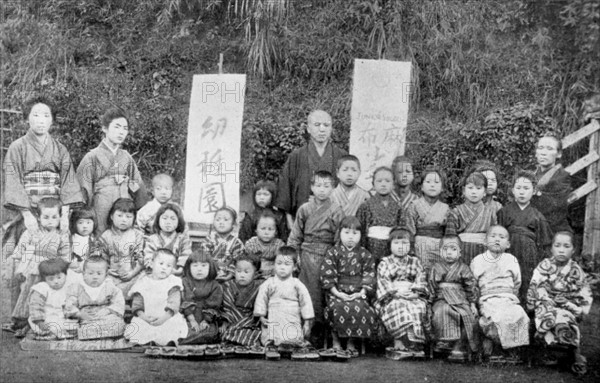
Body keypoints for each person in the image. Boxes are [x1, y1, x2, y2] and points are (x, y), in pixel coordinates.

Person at [2, 95, 83, 247]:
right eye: (36, 115)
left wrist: (64, 215)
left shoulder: (60, 149)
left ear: (52, 120)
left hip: (55, 212)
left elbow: (68, 183)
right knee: (24, 249)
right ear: (27, 118)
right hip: (29, 209)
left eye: (46, 116)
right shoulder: (17, 147)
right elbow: (13, 183)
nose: (41, 120)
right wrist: (27, 215)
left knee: (60, 251)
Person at [287, 170, 344, 345]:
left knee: (322, 295)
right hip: (306, 255)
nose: (322, 190)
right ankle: (306, 330)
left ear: (333, 188)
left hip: (327, 256)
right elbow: (296, 235)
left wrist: (334, 259)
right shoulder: (304, 209)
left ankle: (321, 333)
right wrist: (292, 256)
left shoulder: (336, 209)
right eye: (318, 185)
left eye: (326, 186)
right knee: (305, 292)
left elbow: (338, 238)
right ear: (312, 187)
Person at [527, 231, 593, 375]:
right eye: (557, 246)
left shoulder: (577, 270)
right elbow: (535, 286)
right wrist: (543, 298)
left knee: (565, 318)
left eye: (566, 246)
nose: (561, 250)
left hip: (567, 305)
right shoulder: (544, 265)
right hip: (546, 304)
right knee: (549, 315)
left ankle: (576, 355)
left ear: (573, 250)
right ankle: (547, 349)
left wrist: (576, 307)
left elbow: (584, 293)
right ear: (551, 248)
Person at [76, 107, 147, 233]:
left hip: (124, 209)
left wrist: (128, 185)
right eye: (117, 127)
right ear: (105, 128)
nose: (121, 132)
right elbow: (83, 191)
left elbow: (138, 188)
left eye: (125, 129)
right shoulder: (91, 157)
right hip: (100, 208)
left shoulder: (126, 157)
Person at [276, 110, 347, 230]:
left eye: (326, 125)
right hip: (303, 219)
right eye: (317, 125)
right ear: (308, 128)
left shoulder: (341, 155)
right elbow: (286, 189)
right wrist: (289, 221)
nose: (322, 129)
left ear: (331, 128)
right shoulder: (297, 156)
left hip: (333, 220)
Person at [10, 197, 70, 334]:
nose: (50, 220)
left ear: (60, 217)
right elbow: (23, 250)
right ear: (38, 217)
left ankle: (44, 322)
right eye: (46, 217)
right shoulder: (32, 232)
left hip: (51, 269)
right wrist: (21, 268)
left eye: (54, 217)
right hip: (32, 267)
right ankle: (25, 323)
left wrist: (61, 267)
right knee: (28, 294)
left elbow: (65, 255)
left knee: (49, 295)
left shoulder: (62, 235)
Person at [320, 216, 377, 358]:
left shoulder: (365, 254)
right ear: (339, 233)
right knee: (336, 307)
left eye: (355, 233)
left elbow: (369, 275)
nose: (350, 237)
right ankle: (336, 341)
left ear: (361, 235)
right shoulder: (333, 252)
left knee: (360, 308)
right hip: (337, 292)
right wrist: (337, 293)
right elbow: (327, 275)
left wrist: (361, 292)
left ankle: (351, 342)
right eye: (346, 233)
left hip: (358, 292)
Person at [471, 225, 529, 362]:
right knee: (496, 317)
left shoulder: (511, 259)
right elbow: (472, 285)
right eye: (493, 236)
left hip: (508, 298)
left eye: (501, 237)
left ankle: (512, 350)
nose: (497, 240)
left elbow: (517, 282)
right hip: (488, 298)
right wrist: (473, 303)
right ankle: (497, 347)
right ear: (485, 241)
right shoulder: (478, 260)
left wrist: (510, 296)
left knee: (519, 314)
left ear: (508, 244)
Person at [498, 170, 553, 301]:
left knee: (527, 281)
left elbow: (544, 244)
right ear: (512, 190)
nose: (522, 192)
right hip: (509, 253)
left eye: (526, 188)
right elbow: (498, 235)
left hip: (530, 256)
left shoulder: (537, 216)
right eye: (518, 188)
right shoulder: (504, 212)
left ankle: (528, 314)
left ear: (534, 191)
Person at [376, 227, 430, 360]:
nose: (401, 247)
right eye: (397, 243)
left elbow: (421, 279)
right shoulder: (385, 263)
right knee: (397, 306)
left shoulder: (415, 262)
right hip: (392, 296)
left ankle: (413, 343)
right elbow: (383, 282)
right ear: (390, 245)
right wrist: (395, 293)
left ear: (410, 245)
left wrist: (416, 294)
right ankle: (399, 340)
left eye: (405, 243)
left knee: (418, 307)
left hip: (412, 294)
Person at [428, 236, 478, 362]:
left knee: (467, 315)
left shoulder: (464, 268)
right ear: (440, 251)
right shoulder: (436, 267)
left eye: (453, 249)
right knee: (441, 310)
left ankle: (459, 346)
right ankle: (443, 341)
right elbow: (431, 286)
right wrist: (428, 303)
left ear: (460, 252)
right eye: (445, 249)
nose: (449, 252)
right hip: (442, 298)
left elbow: (470, 286)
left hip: (460, 299)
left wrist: (472, 303)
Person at [254, 246, 314, 348]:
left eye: (287, 264)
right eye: (279, 263)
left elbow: (306, 302)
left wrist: (307, 322)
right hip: (274, 315)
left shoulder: (297, 284)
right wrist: (261, 316)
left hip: (292, 315)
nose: (282, 267)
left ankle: (295, 343)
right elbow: (261, 300)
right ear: (274, 265)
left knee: (292, 337)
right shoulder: (269, 283)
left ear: (294, 267)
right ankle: (271, 344)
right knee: (271, 336)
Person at [126, 249, 188, 346]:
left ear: (172, 269)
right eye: (161, 263)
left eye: (168, 266)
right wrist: (144, 317)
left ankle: (167, 342)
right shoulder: (143, 281)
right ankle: (144, 342)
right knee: (138, 325)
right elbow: (137, 304)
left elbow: (174, 304)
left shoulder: (173, 282)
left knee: (171, 326)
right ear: (151, 263)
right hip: (146, 316)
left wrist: (163, 319)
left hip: (166, 316)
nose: (164, 268)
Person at [64, 256, 126, 340]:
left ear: (106, 274)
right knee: (71, 325)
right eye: (90, 273)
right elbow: (69, 304)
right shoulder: (77, 287)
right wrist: (79, 314)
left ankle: (96, 334)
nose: (95, 277)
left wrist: (108, 310)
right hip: (86, 317)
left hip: (105, 315)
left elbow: (118, 302)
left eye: (99, 273)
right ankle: (89, 333)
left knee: (118, 324)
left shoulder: (109, 286)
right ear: (84, 273)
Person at [404, 166, 450, 273]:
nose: (432, 185)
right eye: (428, 181)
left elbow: (448, 233)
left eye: (436, 182)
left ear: (442, 187)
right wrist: (411, 249)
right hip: (419, 246)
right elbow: (409, 230)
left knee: (437, 275)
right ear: (422, 187)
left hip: (439, 246)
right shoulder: (414, 205)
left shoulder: (446, 208)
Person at [447, 171, 497, 265]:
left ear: (485, 192)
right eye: (470, 188)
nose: (474, 192)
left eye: (478, 188)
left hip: (484, 256)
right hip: (461, 255)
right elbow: (450, 239)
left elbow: (494, 238)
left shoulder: (490, 213)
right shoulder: (455, 212)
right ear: (463, 190)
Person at [357, 167, 403, 264]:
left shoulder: (398, 207)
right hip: (370, 248)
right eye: (379, 181)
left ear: (393, 184)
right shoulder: (366, 206)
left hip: (390, 249)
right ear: (373, 184)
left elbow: (401, 230)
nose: (383, 184)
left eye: (387, 181)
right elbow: (360, 231)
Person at [101, 198, 144, 296]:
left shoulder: (137, 235)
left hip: (132, 275)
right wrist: (106, 270)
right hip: (112, 275)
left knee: (143, 282)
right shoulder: (106, 236)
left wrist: (132, 273)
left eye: (128, 216)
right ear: (112, 216)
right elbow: (102, 257)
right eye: (119, 216)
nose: (124, 219)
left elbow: (140, 259)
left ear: (134, 218)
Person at [179, 248, 223, 345]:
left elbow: (213, 305)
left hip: (206, 316)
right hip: (189, 315)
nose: (199, 269)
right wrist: (192, 320)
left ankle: (194, 339)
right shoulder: (185, 281)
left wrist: (205, 321)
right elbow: (186, 300)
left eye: (203, 266)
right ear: (188, 267)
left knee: (210, 333)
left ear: (210, 267)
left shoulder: (214, 285)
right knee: (182, 330)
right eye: (195, 265)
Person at [531, 135, 573, 234]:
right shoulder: (532, 175)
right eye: (540, 148)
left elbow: (552, 207)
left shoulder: (562, 177)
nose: (544, 153)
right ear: (536, 153)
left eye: (549, 149)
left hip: (553, 230)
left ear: (559, 154)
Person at [28, 259, 78, 339]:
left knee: (75, 324)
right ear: (45, 278)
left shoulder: (67, 286)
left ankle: (62, 332)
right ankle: (50, 333)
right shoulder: (42, 289)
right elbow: (35, 307)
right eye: (51, 279)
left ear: (65, 275)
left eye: (59, 277)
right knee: (51, 326)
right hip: (46, 317)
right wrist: (40, 322)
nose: (56, 281)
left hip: (62, 316)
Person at [220, 255, 263, 348]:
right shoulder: (228, 285)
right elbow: (227, 306)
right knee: (224, 331)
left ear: (255, 274)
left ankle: (236, 339)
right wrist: (225, 321)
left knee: (253, 332)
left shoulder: (259, 286)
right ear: (234, 272)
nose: (242, 275)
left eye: (246, 272)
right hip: (232, 319)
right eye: (238, 271)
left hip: (250, 319)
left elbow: (260, 306)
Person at [143, 203, 192, 276]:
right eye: (164, 218)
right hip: (155, 274)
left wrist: (179, 270)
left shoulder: (183, 239)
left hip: (177, 274)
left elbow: (186, 255)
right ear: (158, 220)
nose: (168, 222)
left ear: (179, 221)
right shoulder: (152, 239)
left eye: (173, 219)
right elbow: (148, 257)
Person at [204, 206, 245, 282]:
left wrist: (230, 275)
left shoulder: (237, 242)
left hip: (229, 276)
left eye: (226, 220)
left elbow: (237, 261)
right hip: (210, 274)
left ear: (233, 224)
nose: (221, 222)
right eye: (218, 219)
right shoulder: (209, 239)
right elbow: (205, 257)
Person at [244, 212, 285, 279]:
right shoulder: (251, 244)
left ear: (276, 232)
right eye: (263, 228)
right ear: (256, 230)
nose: (266, 232)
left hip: (273, 275)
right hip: (255, 275)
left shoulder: (279, 245)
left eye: (270, 229)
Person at [69, 207, 105, 275]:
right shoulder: (70, 239)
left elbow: (96, 259)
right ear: (74, 224)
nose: (85, 226)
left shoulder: (95, 240)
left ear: (94, 223)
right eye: (80, 223)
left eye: (88, 222)